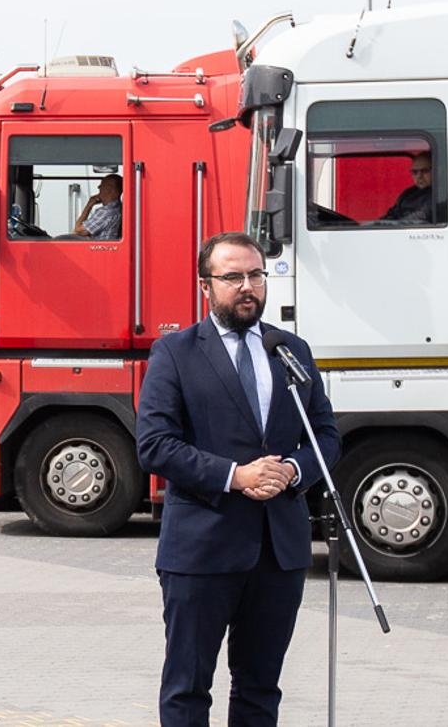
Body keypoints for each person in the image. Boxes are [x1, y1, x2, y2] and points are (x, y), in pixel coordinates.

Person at [136, 231, 339, 727]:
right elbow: (155, 444)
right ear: (205, 284)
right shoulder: (176, 352)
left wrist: (292, 471)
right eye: (232, 277)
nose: (247, 287)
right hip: (203, 546)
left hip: (278, 549)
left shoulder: (290, 349)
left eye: (255, 275)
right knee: (188, 686)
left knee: (259, 687)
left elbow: (326, 437)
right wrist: (235, 475)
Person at [379, 151, 438, 224]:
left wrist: (394, 225)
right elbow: (392, 214)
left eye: (425, 171)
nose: (419, 176)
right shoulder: (408, 193)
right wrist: (376, 224)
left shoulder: (439, 194)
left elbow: (422, 216)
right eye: (415, 172)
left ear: (437, 170)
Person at [74, 174, 123, 238]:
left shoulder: (106, 212)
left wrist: (89, 205)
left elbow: (78, 230)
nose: (98, 187)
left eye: (102, 185)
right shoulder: (119, 208)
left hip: (98, 247)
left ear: (111, 189)